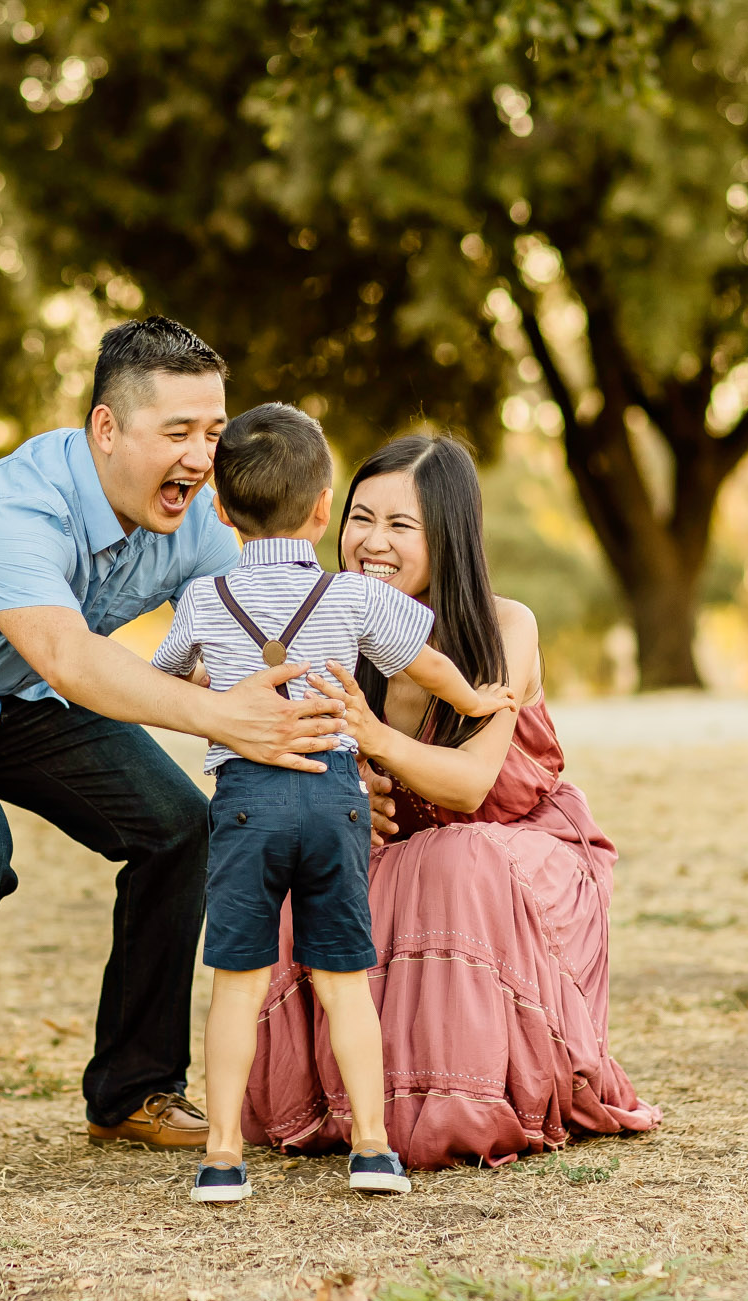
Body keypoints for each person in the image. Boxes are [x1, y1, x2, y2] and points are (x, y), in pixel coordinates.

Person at [0, 318, 357, 1190]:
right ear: (106, 428)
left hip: (11, 688)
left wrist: (341, 763)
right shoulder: (12, 505)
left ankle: (133, 1090)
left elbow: (249, 645)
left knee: (178, 826)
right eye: (177, 433)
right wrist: (221, 718)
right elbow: (67, 656)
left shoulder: (194, 524)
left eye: (212, 432)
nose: (203, 458)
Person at [243, 433, 662, 1169]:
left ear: (449, 537)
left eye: (400, 526)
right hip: (404, 856)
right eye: (360, 518)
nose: (371, 543)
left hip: (519, 859)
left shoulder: (507, 626)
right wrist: (347, 795)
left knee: (457, 858)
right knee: (302, 866)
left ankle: (460, 1099)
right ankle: (352, 1103)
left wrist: (375, 737)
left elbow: (471, 784)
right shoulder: (331, 624)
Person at [148, 404, 513, 1204]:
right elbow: (431, 662)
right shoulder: (352, 597)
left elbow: (165, 678)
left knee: (238, 982)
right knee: (345, 980)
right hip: (336, 800)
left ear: (218, 507)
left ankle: (219, 1158)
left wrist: (218, 685)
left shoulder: (205, 598)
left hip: (245, 802)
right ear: (323, 509)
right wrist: (479, 699)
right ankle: (375, 1149)